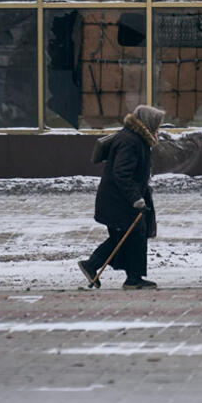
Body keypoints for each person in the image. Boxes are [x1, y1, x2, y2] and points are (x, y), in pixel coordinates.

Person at [79, 104, 163, 290]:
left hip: (120, 198)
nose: (158, 129)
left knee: (129, 237)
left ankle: (131, 277)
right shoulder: (130, 141)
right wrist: (135, 198)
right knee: (128, 236)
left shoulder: (136, 138)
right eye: (156, 125)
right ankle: (96, 266)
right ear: (147, 123)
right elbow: (122, 173)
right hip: (119, 200)